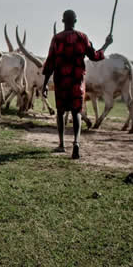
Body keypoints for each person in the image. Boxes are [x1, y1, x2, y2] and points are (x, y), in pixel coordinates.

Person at [41, 10, 113, 159]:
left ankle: (61, 144)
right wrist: (106, 44)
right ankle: (76, 142)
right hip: (77, 81)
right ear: (75, 21)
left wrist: (45, 85)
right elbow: (95, 56)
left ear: (63, 21)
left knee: (60, 112)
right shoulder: (82, 37)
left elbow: (50, 63)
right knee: (76, 112)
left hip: (61, 81)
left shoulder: (56, 39)